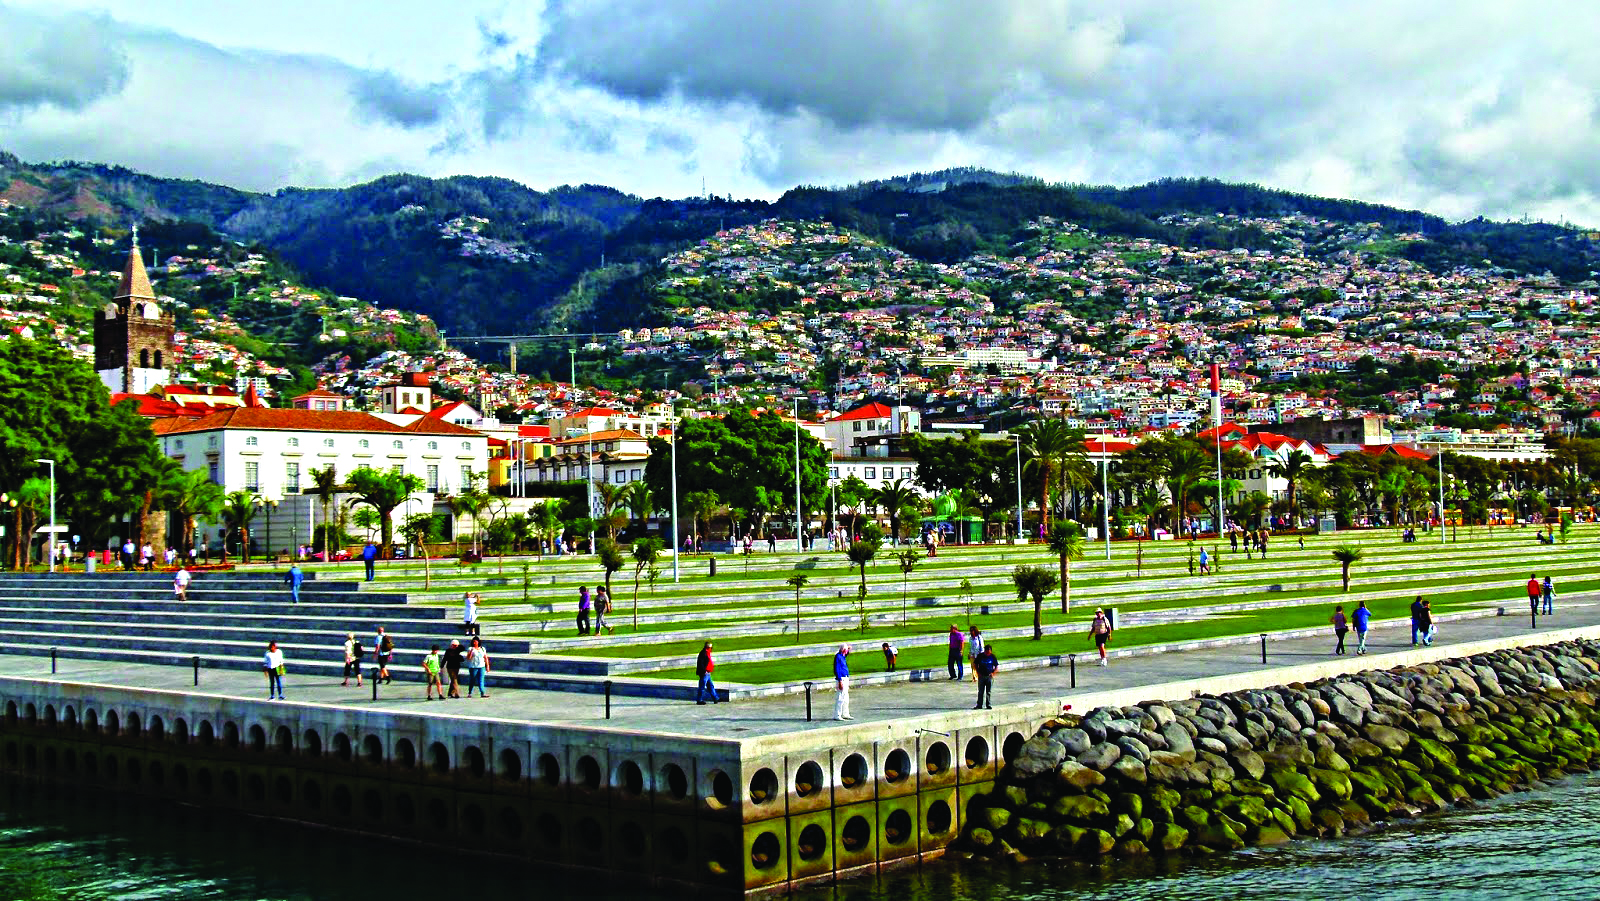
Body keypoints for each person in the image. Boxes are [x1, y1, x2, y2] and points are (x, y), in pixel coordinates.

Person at [974, 643, 998, 709]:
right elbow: (975, 664)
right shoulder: (980, 656)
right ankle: (979, 704)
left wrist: (993, 673)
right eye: (986, 652)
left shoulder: (992, 657)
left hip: (989, 676)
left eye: (989, 652)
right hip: (981, 676)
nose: (987, 653)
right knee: (980, 691)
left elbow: (996, 666)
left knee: (988, 691)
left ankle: (988, 704)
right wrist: (977, 672)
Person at [833, 644, 852, 721]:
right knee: (840, 697)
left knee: (846, 697)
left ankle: (845, 713)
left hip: (846, 677)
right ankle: (837, 714)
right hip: (841, 679)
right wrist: (839, 680)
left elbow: (847, 653)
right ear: (843, 650)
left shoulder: (843, 656)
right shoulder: (838, 657)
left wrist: (849, 649)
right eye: (846, 650)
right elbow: (837, 669)